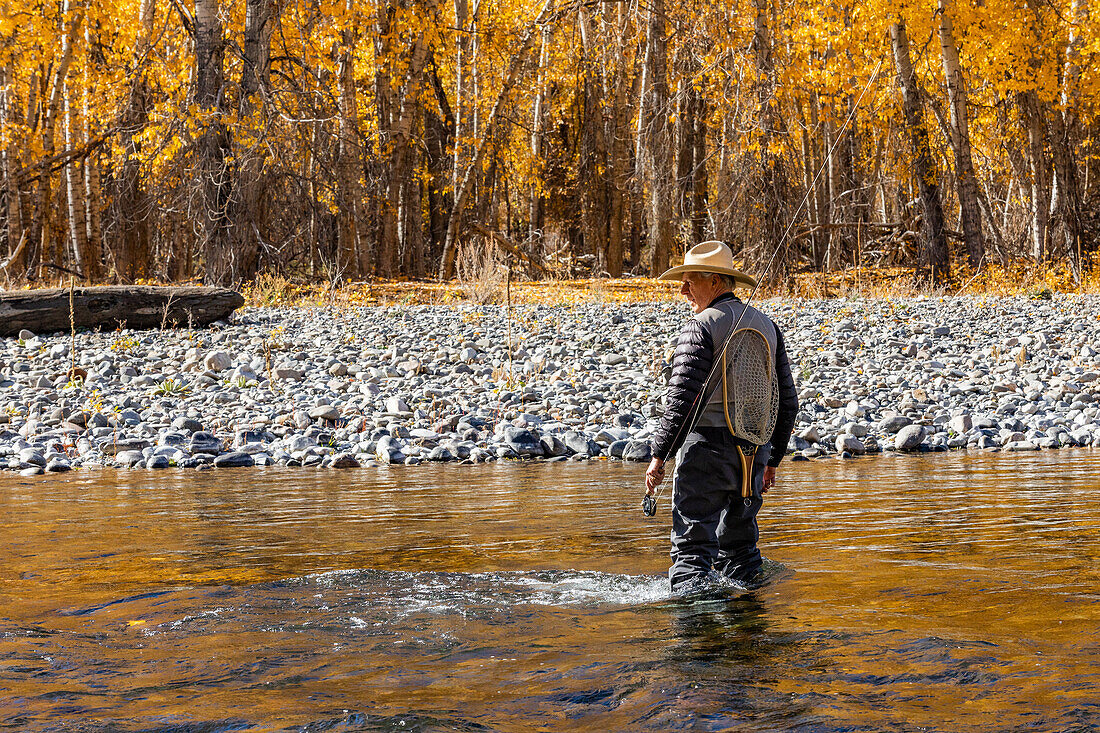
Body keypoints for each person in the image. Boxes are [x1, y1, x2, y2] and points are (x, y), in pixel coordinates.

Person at [645, 241, 798, 593]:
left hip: (705, 458)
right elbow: (787, 403)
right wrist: (771, 460)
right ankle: (747, 636)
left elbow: (681, 399)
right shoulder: (769, 327)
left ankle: (696, 643)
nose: (683, 290)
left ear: (715, 282)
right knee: (742, 556)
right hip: (753, 458)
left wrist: (659, 455)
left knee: (692, 554)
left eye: (690, 281)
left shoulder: (700, 326)